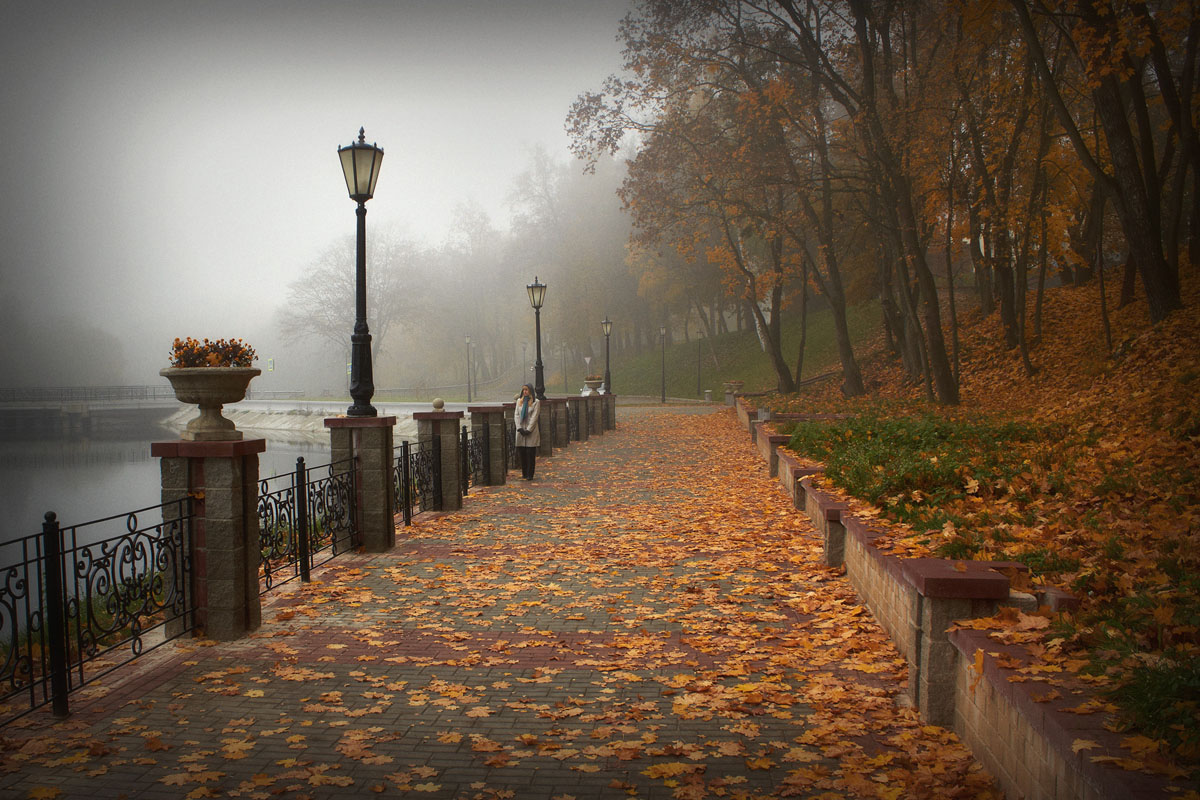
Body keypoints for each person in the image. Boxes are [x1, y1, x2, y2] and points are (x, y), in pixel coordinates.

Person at [513, 383, 540, 480]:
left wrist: (528, 429)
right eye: (523, 390)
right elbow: (516, 415)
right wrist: (519, 428)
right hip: (520, 431)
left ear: (530, 391)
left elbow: (534, 417)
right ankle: (524, 473)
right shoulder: (519, 402)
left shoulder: (536, 402)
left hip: (531, 432)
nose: (525, 392)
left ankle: (530, 474)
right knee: (522, 453)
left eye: (527, 390)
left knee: (530, 454)